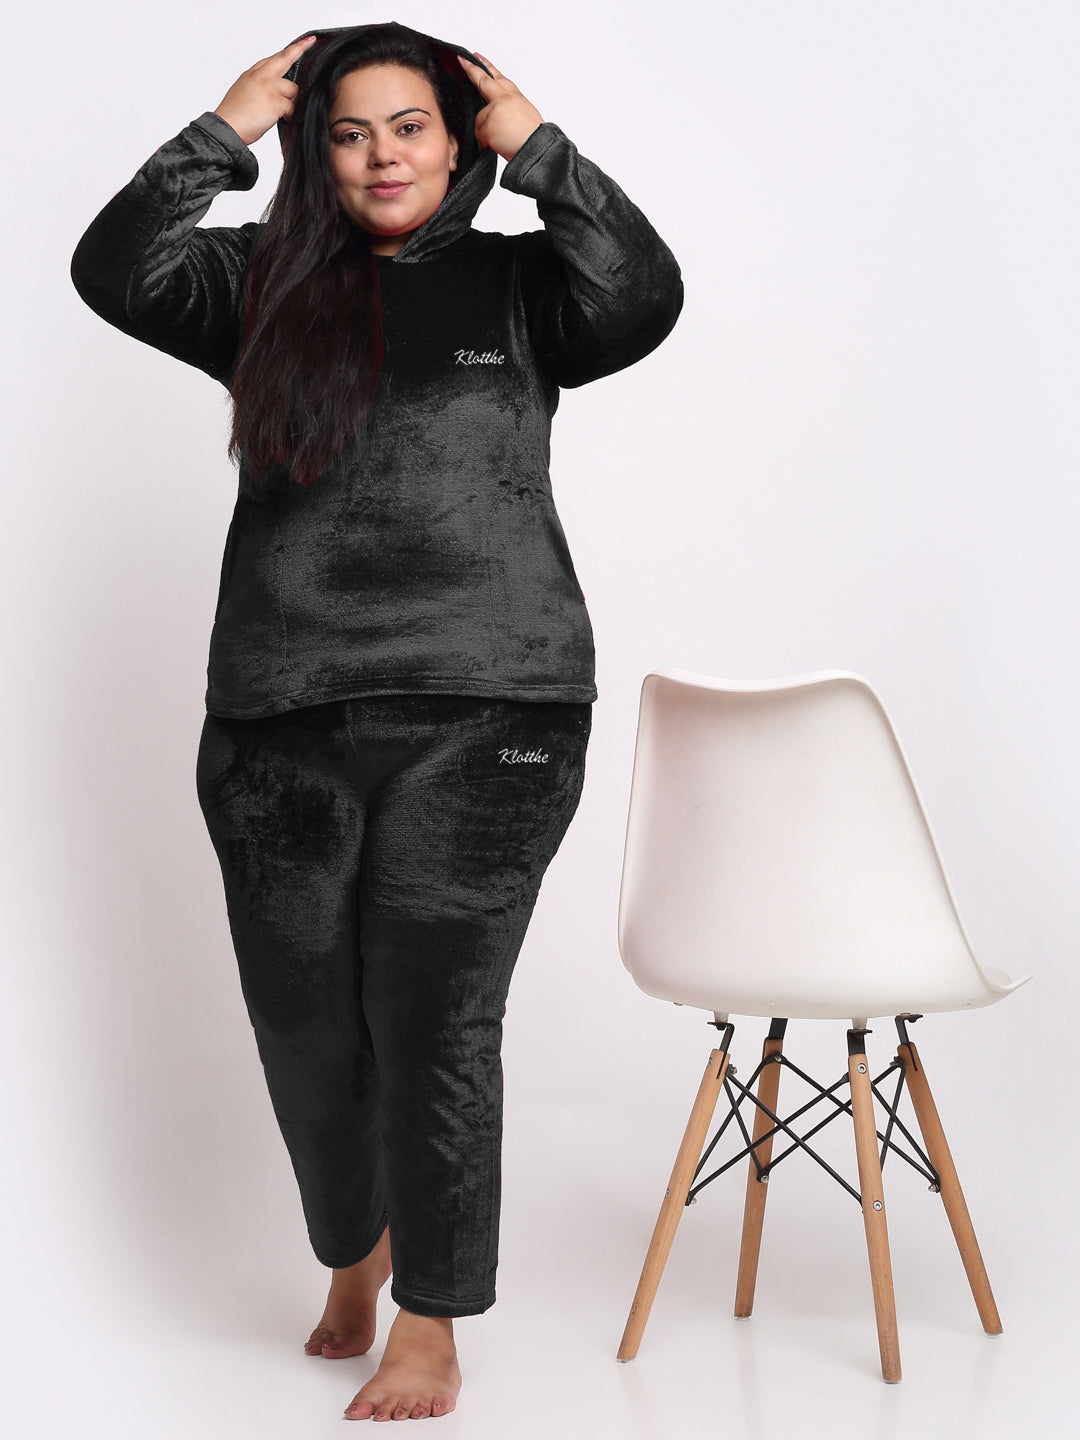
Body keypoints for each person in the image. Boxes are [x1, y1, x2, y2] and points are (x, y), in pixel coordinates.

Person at [70, 21, 683, 1423]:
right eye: (349, 134)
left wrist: (544, 150)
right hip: (277, 712)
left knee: (433, 1016)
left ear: (457, 142)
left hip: (494, 706)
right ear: (316, 151)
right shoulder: (256, 284)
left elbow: (644, 295)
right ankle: (355, 1249)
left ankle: (432, 1318)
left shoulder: (525, 286)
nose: (381, 157)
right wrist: (224, 127)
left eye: (410, 127)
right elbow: (115, 268)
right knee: (301, 1020)